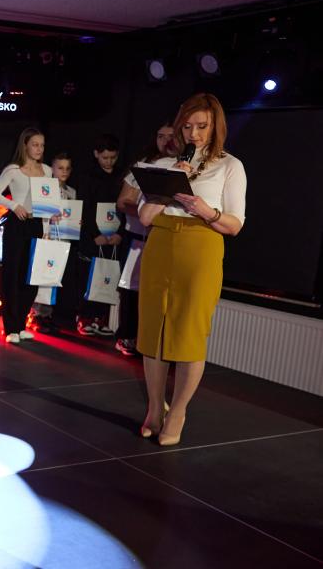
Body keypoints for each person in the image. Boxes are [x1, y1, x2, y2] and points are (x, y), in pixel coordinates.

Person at [137, 93, 246, 446]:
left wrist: (205, 210)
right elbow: (144, 217)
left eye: (202, 126)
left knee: (189, 333)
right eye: (187, 127)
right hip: (161, 243)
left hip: (202, 245)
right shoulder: (166, 164)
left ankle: (178, 412)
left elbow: (235, 224)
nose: (194, 134)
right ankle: (155, 408)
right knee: (153, 332)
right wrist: (170, 184)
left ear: (216, 127)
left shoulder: (230, 166)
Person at [114, 122, 176, 356]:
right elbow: (122, 202)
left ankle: (153, 341)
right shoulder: (142, 166)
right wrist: (146, 211)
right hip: (137, 237)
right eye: (160, 136)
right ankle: (127, 336)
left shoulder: (184, 167)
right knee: (132, 291)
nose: (165, 141)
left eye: (170, 136)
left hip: (166, 240)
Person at [0, 127, 52, 343]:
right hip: (17, 224)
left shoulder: (47, 170)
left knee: (31, 277)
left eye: (42, 145)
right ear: (25, 145)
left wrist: (47, 228)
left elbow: (48, 200)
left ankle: (21, 323)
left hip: (37, 225)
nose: (39, 149)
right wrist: (14, 205)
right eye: (35, 144)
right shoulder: (13, 170)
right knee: (13, 275)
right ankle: (11, 327)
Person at [75, 134, 125, 337]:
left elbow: (125, 207)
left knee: (108, 275)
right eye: (105, 157)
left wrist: (120, 233)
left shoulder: (121, 177)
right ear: (96, 154)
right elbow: (84, 209)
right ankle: (84, 317)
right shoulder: (87, 177)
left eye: (113, 157)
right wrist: (94, 234)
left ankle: (101, 318)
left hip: (114, 235)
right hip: (93, 237)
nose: (109, 162)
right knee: (89, 275)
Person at [31, 152, 77, 333]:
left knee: (54, 278)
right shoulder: (46, 188)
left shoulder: (71, 192)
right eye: (60, 168)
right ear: (52, 169)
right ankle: (36, 314)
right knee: (43, 277)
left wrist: (75, 221)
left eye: (67, 168)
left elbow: (71, 215)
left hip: (63, 240)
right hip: (47, 237)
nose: (64, 171)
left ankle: (48, 315)